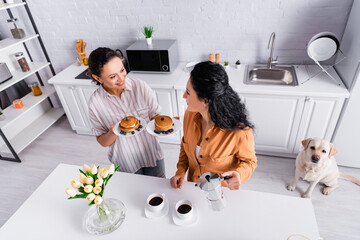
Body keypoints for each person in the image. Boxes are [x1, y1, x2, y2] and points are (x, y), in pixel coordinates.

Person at [170, 61, 257, 190]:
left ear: (205, 100)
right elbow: (185, 145)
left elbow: (250, 162)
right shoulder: (189, 115)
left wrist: (239, 174)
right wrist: (181, 171)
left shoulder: (240, 132)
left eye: (188, 92)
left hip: (219, 193)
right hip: (191, 187)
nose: (183, 96)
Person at [87, 47, 165, 177]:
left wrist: (165, 122)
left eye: (122, 70)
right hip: (125, 162)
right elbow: (102, 141)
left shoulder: (140, 87)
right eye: (113, 76)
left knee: (159, 192)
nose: (121, 78)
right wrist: (113, 132)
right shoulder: (95, 104)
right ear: (98, 78)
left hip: (152, 154)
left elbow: (155, 116)